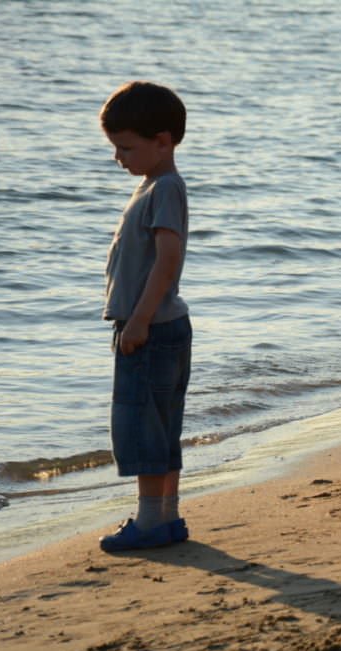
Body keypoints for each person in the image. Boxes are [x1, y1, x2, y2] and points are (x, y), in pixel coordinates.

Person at [97, 81, 193, 550]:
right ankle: (167, 517)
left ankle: (151, 521)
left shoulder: (164, 189)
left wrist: (137, 320)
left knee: (143, 424)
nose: (119, 157)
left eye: (125, 147)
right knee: (163, 421)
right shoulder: (154, 185)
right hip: (163, 324)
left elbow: (168, 258)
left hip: (149, 328)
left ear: (163, 141)